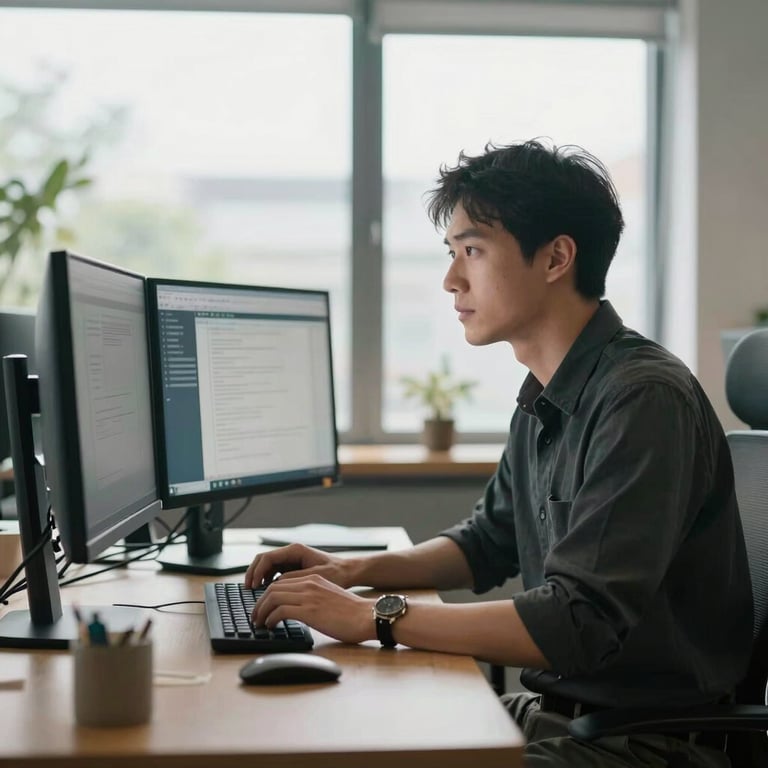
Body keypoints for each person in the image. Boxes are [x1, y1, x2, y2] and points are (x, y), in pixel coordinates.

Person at [245, 139, 752, 767]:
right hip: (561, 721)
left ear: (556, 258)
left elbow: (577, 621)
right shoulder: (545, 393)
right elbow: (487, 541)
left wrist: (373, 616)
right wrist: (350, 571)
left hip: (646, 744)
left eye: (473, 251)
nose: (451, 279)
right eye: (452, 253)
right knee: (338, 731)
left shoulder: (643, 400)